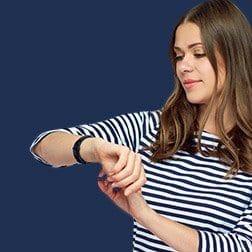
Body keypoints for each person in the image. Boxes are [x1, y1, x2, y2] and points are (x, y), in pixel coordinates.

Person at [30, 0, 252, 251]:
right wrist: (94, 148)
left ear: (234, 56)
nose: (184, 66)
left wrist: (146, 215)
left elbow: (243, 246)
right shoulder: (152, 129)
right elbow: (43, 147)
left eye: (198, 53)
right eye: (179, 55)